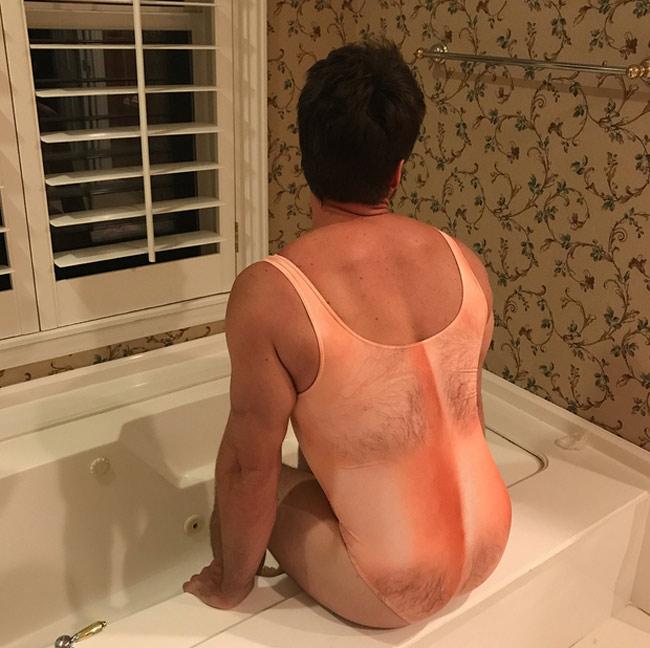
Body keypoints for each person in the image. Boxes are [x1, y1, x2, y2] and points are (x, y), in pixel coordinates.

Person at [183, 40, 512, 629]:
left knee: (237, 468)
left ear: (306, 157)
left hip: (390, 591)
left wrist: (231, 584)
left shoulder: (272, 293)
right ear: (398, 169)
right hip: (490, 539)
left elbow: (249, 471)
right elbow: (462, 419)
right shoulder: (465, 262)